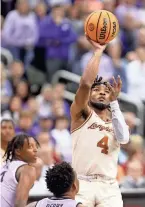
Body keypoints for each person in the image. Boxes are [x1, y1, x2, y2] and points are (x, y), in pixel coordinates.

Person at [70, 37, 130, 207]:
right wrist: (98, 52)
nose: (102, 93)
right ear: (89, 96)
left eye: (106, 91)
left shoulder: (116, 121)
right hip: (82, 182)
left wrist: (114, 102)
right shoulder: (81, 115)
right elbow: (85, 84)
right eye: (96, 90)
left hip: (109, 186)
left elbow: (124, 138)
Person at [0, 133, 42, 207]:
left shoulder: (4, 166)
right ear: (18, 151)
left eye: (36, 146)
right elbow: (19, 203)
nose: (35, 150)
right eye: (30, 147)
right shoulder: (27, 169)